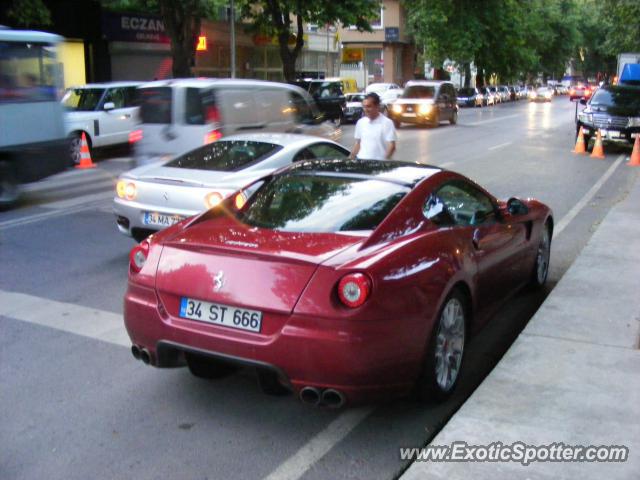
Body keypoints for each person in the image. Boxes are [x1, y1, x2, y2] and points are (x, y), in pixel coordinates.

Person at [349, 92, 397, 160]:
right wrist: (350, 158)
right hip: (361, 162)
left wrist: (384, 162)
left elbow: (392, 146)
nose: (366, 110)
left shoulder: (387, 123)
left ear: (377, 106)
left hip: (379, 163)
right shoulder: (360, 123)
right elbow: (358, 143)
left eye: (369, 106)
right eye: (364, 107)